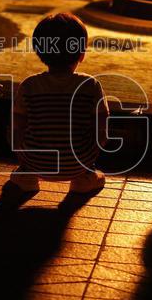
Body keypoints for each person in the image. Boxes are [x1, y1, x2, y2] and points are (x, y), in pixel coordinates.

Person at [7, 13, 108, 194]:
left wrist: (25, 156)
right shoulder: (90, 85)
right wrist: (88, 157)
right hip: (78, 163)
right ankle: (85, 177)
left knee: (13, 127)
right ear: (82, 54)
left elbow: (18, 128)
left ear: (39, 52)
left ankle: (26, 175)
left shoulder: (29, 85)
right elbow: (102, 127)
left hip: (35, 163)